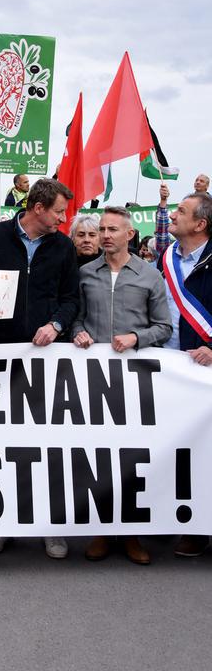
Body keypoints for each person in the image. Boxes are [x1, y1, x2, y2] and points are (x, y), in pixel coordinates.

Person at [0, 178, 79, 560]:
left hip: (47, 362)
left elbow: (70, 299)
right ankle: (1, 524)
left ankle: (49, 527)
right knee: (2, 446)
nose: (63, 219)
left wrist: (56, 326)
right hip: (0, 359)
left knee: (46, 447)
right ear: (38, 208)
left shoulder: (64, 247)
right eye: (58, 212)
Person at [73, 207, 171, 566]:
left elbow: (164, 327)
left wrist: (135, 337)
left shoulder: (150, 276)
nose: (105, 235)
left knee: (130, 456)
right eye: (101, 229)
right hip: (94, 379)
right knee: (99, 454)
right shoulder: (85, 273)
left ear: (131, 234)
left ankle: (130, 533)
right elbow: (77, 316)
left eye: (113, 229)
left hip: (135, 379)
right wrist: (77, 331)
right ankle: (102, 530)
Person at [158, 191, 212, 559]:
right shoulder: (165, 258)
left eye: (180, 210)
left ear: (200, 224)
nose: (172, 215)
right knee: (179, 449)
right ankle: (181, 521)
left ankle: (201, 531)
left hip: (206, 367)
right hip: (171, 368)